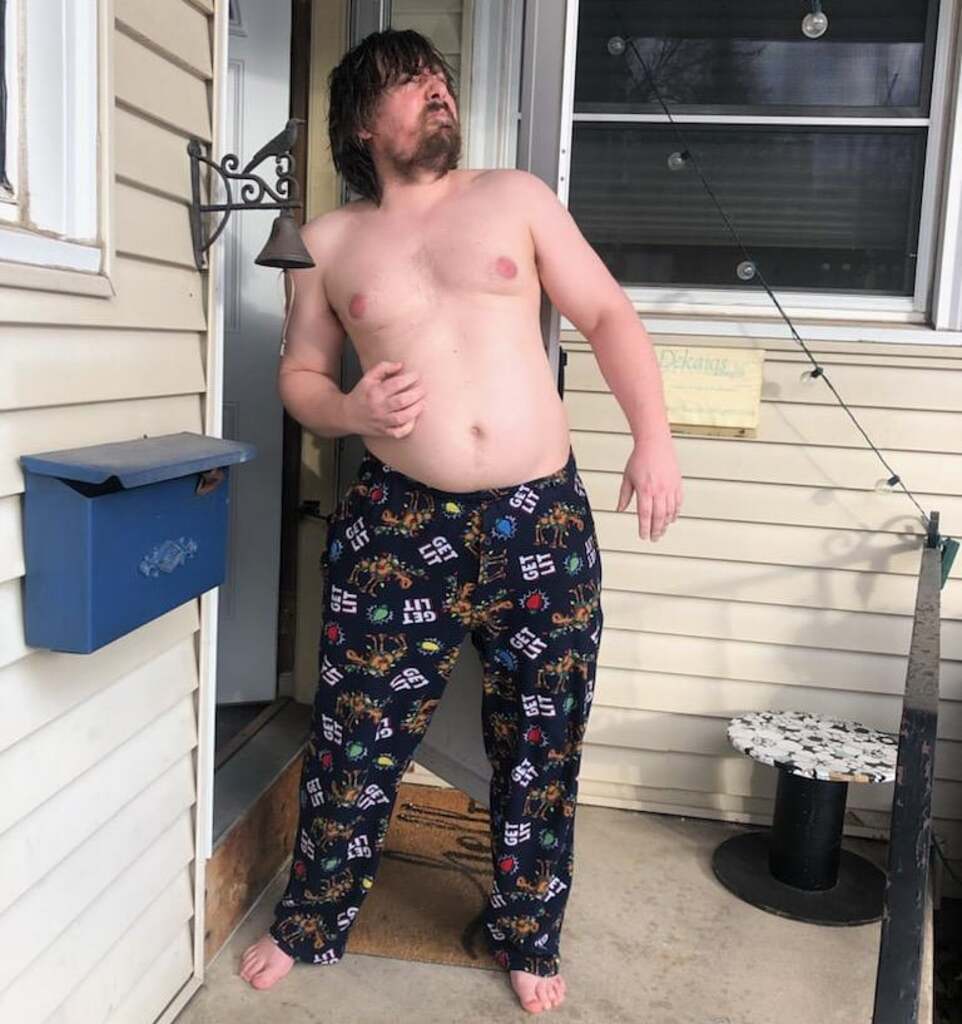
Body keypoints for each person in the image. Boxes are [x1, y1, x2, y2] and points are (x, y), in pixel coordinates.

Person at [240, 27, 682, 1015]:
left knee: (541, 734)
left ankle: (527, 934)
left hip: (539, 516)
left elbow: (607, 314)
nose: (437, 91)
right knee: (356, 730)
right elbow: (299, 374)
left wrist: (652, 437)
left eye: (439, 78)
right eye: (411, 83)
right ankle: (311, 920)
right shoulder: (327, 243)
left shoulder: (514, 198)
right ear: (364, 121)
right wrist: (346, 408)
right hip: (397, 523)